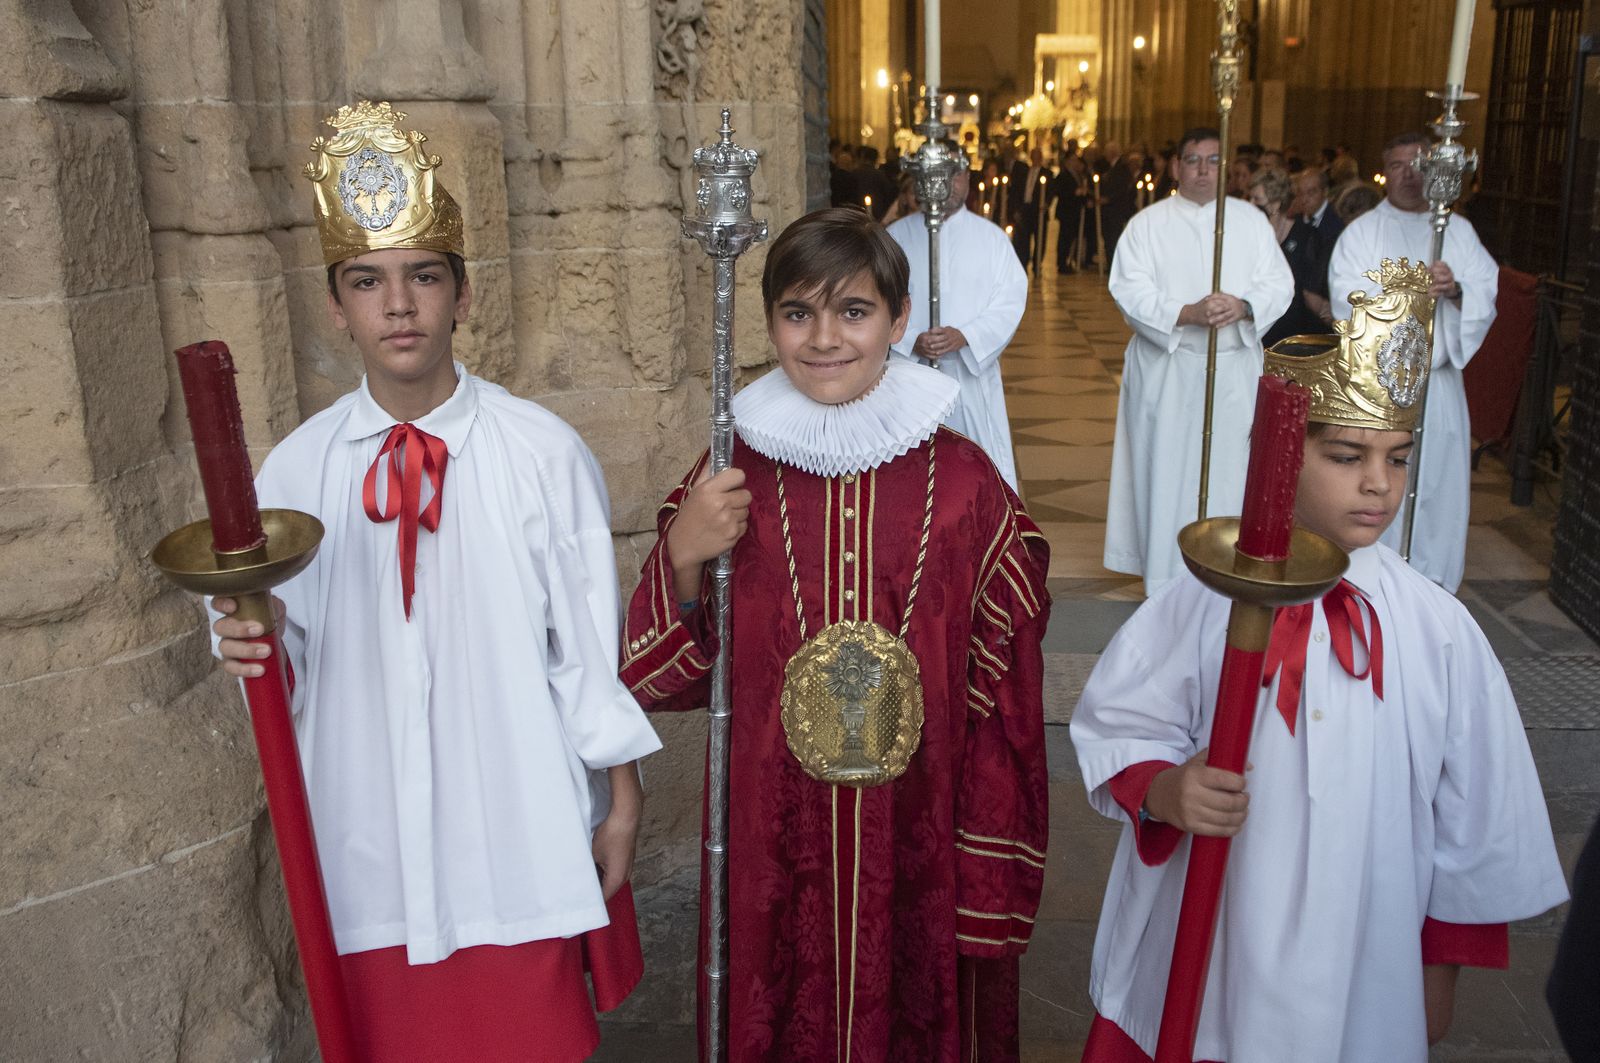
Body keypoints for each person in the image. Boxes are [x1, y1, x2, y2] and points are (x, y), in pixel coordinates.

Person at [208, 101, 663, 1062]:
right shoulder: (292, 477)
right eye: (368, 282)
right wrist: (247, 640)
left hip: (514, 814)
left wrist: (620, 800)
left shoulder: (541, 451)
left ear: (462, 292)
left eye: (423, 276)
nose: (399, 304)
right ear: (337, 305)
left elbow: (585, 649)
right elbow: (287, 661)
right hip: (366, 819)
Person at [1071, 263, 1567, 1062]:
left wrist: (1438, 963)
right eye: (1345, 455)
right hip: (1224, 920)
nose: (1379, 485)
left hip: (1369, 936)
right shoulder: (1207, 598)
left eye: (1398, 458)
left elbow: (1476, 808)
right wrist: (1169, 787)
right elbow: (1124, 720)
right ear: (1280, 451)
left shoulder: (1435, 628)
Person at [623, 207, 1050, 1062]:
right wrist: (679, 555)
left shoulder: (966, 485)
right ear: (771, 323)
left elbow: (1007, 696)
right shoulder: (730, 469)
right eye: (797, 312)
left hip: (919, 827)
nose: (824, 338)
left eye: (853, 311)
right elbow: (661, 679)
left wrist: (987, 867)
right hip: (772, 831)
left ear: (898, 320)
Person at [1104, 127, 1294, 595]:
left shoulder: (1249, 221)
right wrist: (1184, 313)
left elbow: (1279, 284)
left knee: (1231, 471)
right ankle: (1166, 579)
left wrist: (1244, 306)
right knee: (1167, 471)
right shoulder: (1147, 225)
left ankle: (1229, 569)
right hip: (1169, 371)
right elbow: (1128, 288)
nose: (1204, 170)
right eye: (1193, 160)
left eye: (1213, 160)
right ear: (1175, 166)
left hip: (1232, 370)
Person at [1329, 131, 1499, 593]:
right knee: (1377, 484)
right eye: (1399, 165)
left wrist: (1457, 288)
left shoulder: (1457, 232)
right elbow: (1349, 299)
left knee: (1437, 487)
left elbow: (1487, 286)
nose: (1410, 175)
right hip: (1379, 387)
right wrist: (1410, 293)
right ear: (1384, 170)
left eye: (1419, 165)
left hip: (1436, 385)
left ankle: (1433, 585)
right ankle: (1372, 582)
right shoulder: (1361, 233)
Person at [887, 157, 1029, 489]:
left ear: (966, 177)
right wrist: (909, 340)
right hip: (910, 375)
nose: (946, 184)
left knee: (974, 476)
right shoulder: (894, 237)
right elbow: (878, 302)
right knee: (912, 476)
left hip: (970, 378)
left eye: (953, 175)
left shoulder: (991, 239)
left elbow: (1009, 300)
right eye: (935, 175)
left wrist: (966, 336)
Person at [1248, 167, 1332, 344]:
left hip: (1296, 334)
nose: (1250, 204)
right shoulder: (1250, 237)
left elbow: (1312, 290)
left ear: (1276, 203)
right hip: (1261, 329)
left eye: (1256, 199)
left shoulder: (1306, 236)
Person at [1009, 146, 1049, 267]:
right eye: (1033, 157)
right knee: (1023, 238)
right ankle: (1023, 263)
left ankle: (1037, 264)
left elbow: (1050, 192)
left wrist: (1046, 204)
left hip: (1038, 209)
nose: (1035, 159)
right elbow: (1017, 190)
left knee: (1039, 238)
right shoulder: (1024, 172)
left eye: (1038, 157)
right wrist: (1016, 208)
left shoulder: (1046, 173)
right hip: (1025, 209)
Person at [1051, 153, 1087, 273]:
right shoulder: (1063, 175)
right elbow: (1059, 191)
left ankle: (1069, 260)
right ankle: (1061, 263)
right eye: (1073, 160)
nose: (1075, 162)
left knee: (1072, 237)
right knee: (1064, 238)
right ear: (1067, 162)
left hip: (1075, 211)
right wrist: (1073, 193)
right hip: (1066, 211)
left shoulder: (1078, 175)